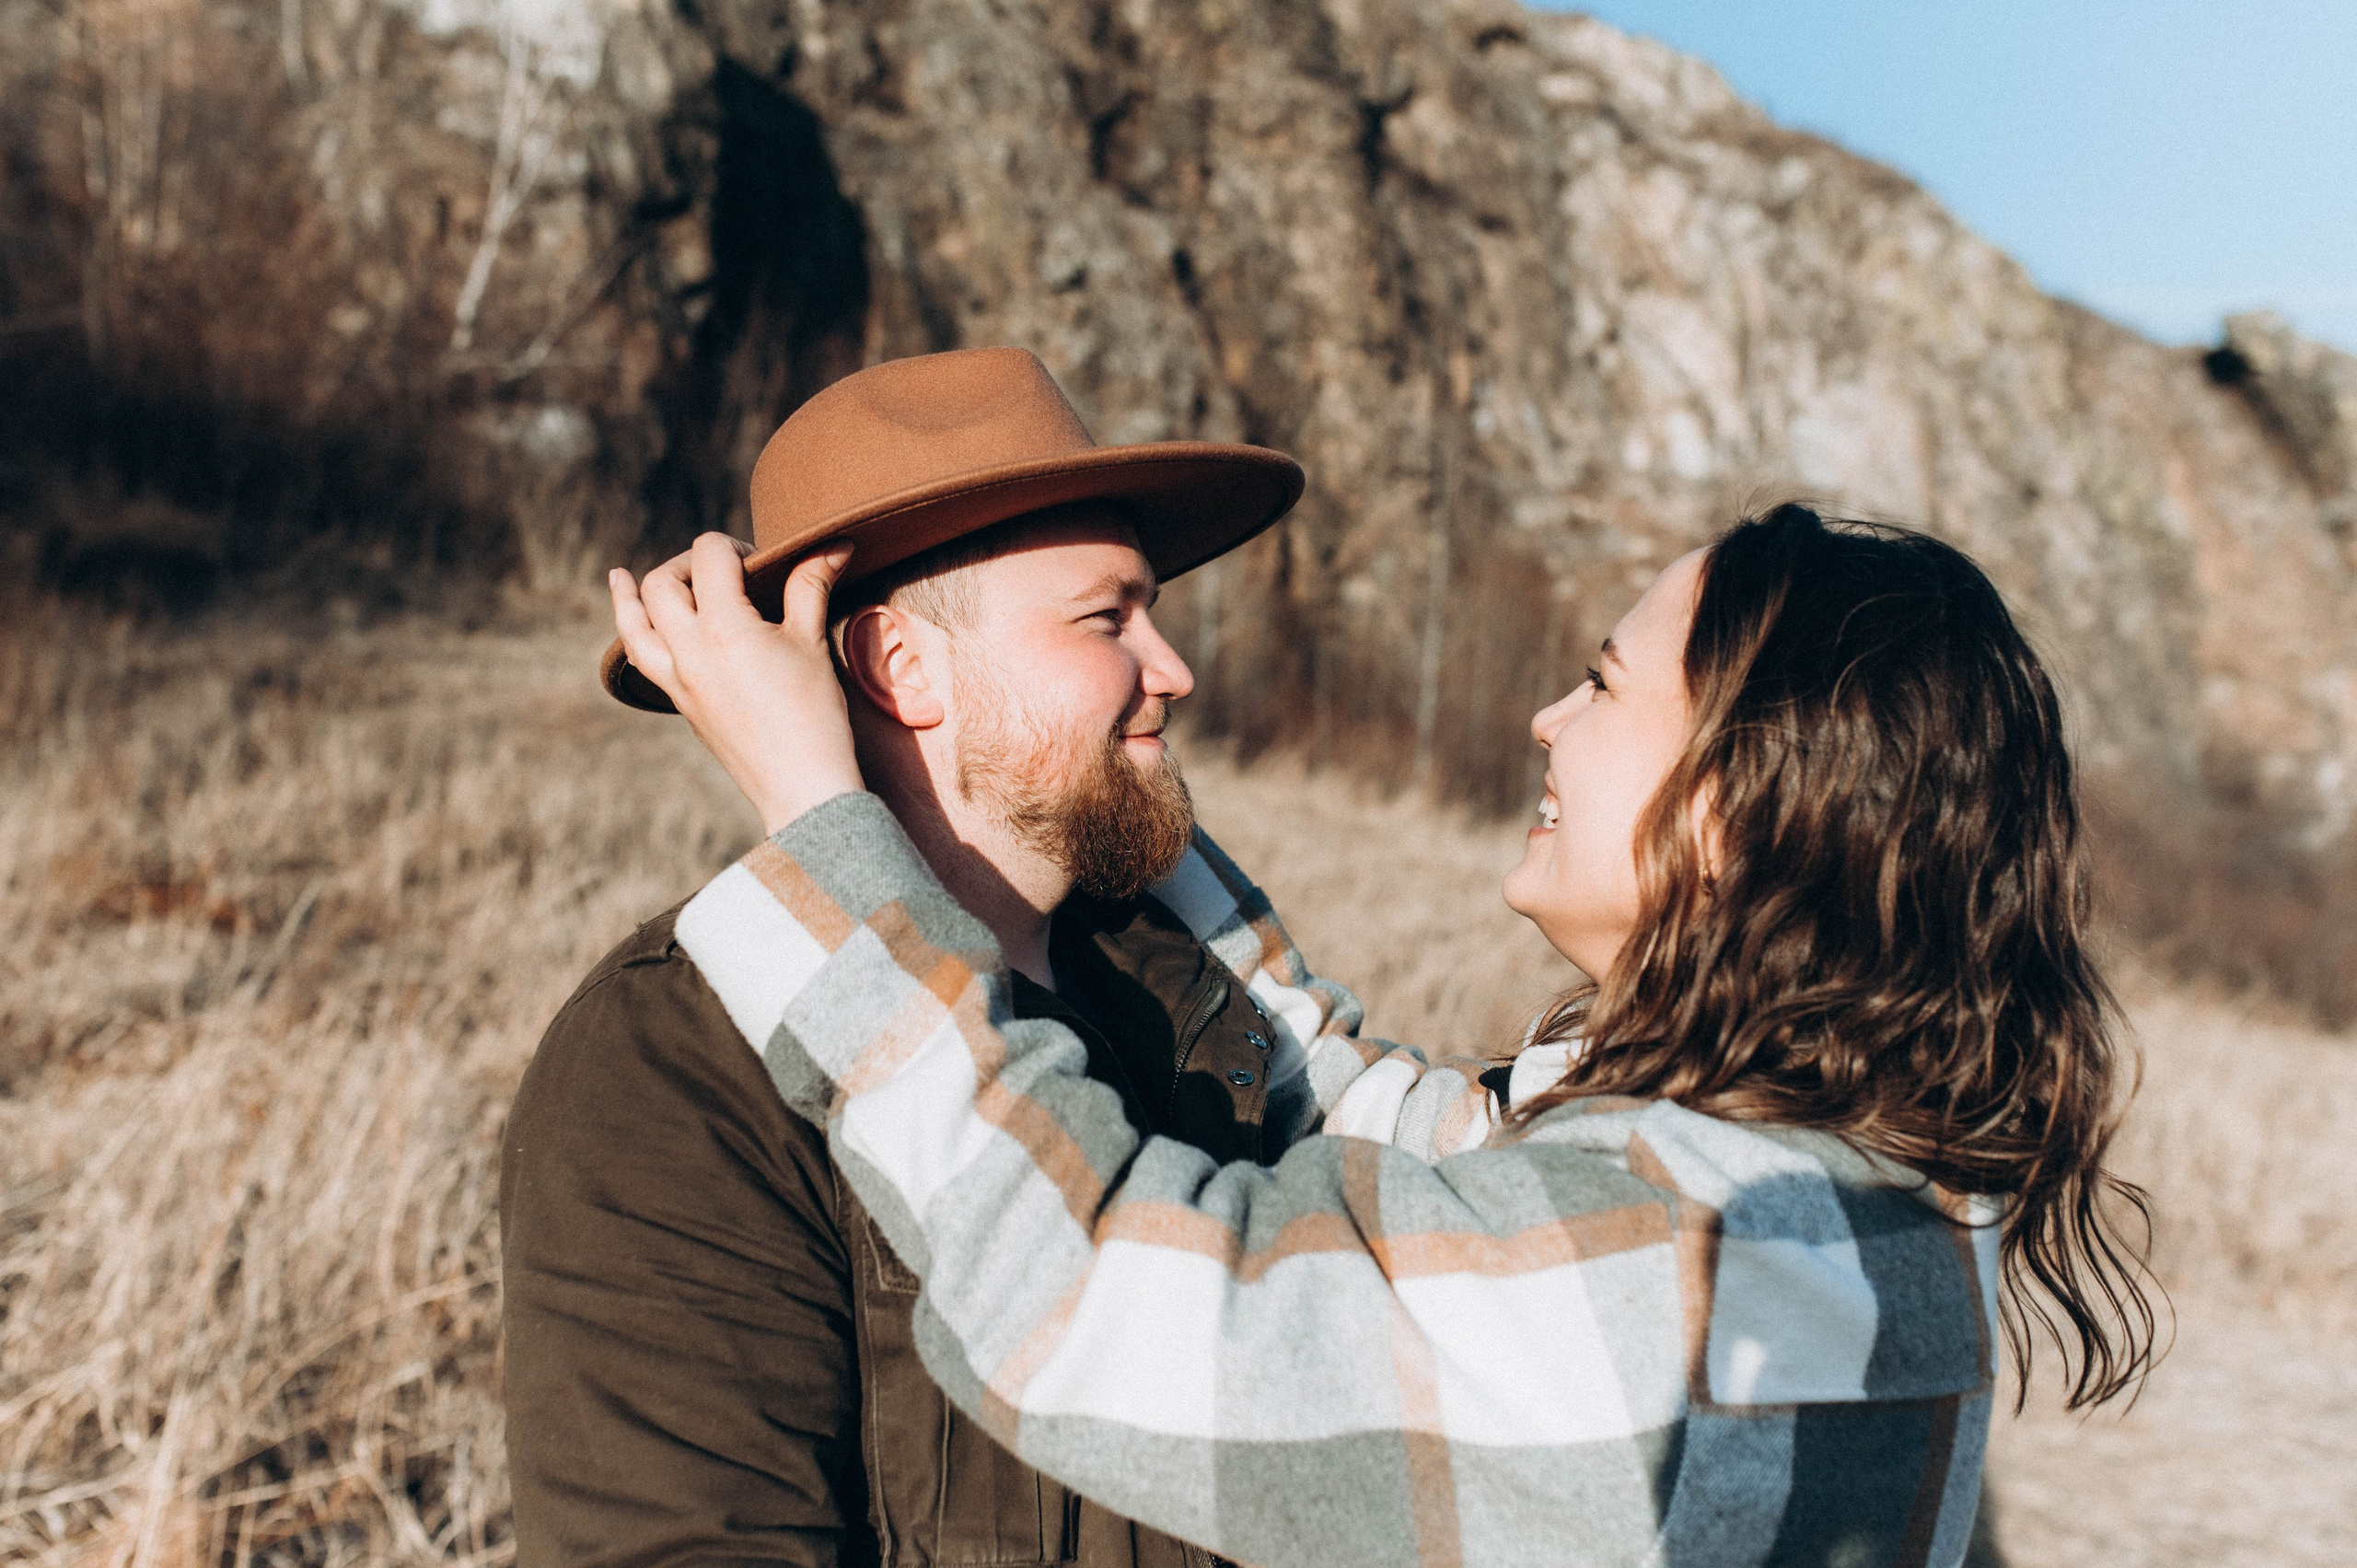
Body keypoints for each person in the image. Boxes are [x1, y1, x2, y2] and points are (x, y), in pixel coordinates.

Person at [609, 502, 2158, 1568]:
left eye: (1606, 687)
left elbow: (1083, 1293)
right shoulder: (1856, 1187)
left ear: (1743, 804)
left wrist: (820, 821)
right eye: (1110, 622)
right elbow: (1359, 1105)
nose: (1550, 719)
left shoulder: (1667, 1252)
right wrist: (1123, 807)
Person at [502, 347, 1452, 1568]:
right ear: (903, 667)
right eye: (1109, 618)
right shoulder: (674, 1071)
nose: (1174, 671)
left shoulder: (1215, 1024)